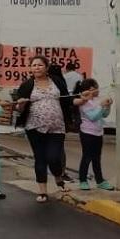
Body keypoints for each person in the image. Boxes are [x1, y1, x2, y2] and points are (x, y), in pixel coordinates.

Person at [15, 55, 75, 203]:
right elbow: (19, 108)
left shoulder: (57, 82)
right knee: (40, 158)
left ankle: (59, 179)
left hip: (57, 127)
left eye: (40, 65)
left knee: (54, 157)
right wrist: (21, 104)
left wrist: (84, 99)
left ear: (46, 67)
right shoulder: (27, 85)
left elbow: (68, 100)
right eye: (34, 65)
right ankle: (43, 191)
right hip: (34, 127)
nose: (36, 67)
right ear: (31, 68)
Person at [72, 78, 114, 191]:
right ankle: (83, 180)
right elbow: (93, 117)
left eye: (97, 87)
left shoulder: (97, 100)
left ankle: (100, 180)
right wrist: (101, 105)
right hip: (87, 132)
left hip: (98, 132)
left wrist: (107, 106)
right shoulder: (84, 102)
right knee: (87, 157)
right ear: (87, 90)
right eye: (94, 88)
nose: (97, 90)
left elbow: (104, 115)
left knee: (97, 158)